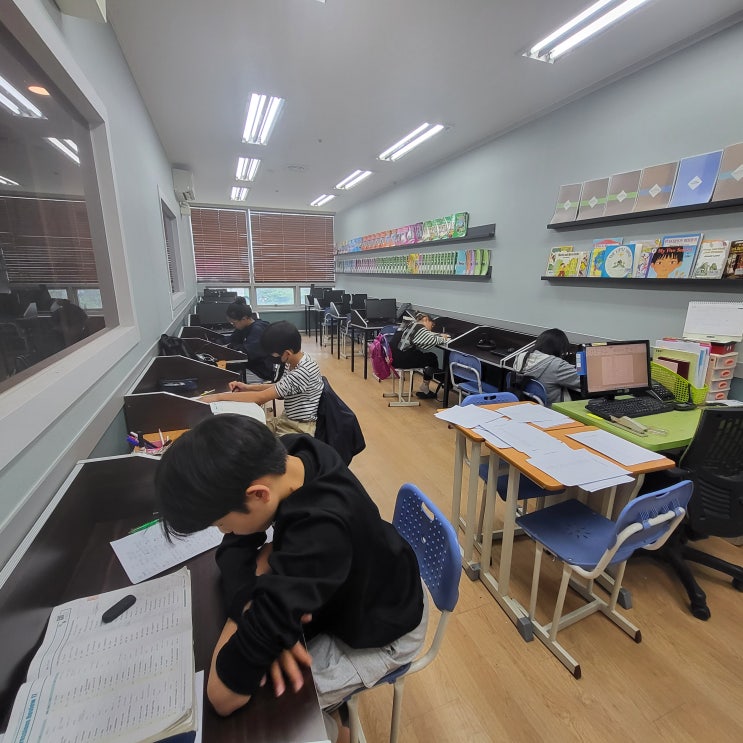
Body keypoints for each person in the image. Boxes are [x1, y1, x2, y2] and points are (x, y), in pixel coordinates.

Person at [155, 415, 426, 739]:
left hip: (384, 628)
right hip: (362, 581)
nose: (223, 532)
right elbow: (234, 548)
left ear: (258, 495)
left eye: (220, 524)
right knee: (263, 671)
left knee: (267, 711)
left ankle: (340, 733)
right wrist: (254, 606)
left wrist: (258, 611)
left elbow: (222, 696)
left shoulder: (320, 534)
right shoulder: (287, 455)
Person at [203, 320, 323, 435]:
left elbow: (260, 398)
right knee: (248, 431)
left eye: (273, 354)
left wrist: (218, 397)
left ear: (287, 353)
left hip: (298, 428)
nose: (271, 357)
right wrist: (247, 387)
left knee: (253, 441)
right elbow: (279, 386)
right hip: (287, 420)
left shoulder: (301, 372)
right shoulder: (295, 361)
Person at [511, 328, 580, 405]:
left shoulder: (521, 356)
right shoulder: (557, 365)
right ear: (560, 348)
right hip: (553, 410)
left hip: (526, 405)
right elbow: (585, 382)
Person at [390, 312, 449, 399]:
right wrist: (444, 338)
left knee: (423, 355)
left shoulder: (412, 325)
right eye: (432, 325)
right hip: (402, 360)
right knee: (432, 358)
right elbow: (432, 340)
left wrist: (438, 335)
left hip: (395, 357)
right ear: (426, 320)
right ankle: (426, 386)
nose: (431, 328)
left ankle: (427, 384)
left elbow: (428, 335)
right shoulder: (420, 328)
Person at [225, 298, 274, 380]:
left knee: (232, 377)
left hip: (261, 371)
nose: (233, 325)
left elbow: (247, 352)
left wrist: (231, 347)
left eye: (233, 322)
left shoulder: (257, 330)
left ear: (244, 318)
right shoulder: (243, 327)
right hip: (251, 365)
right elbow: (232, 339)